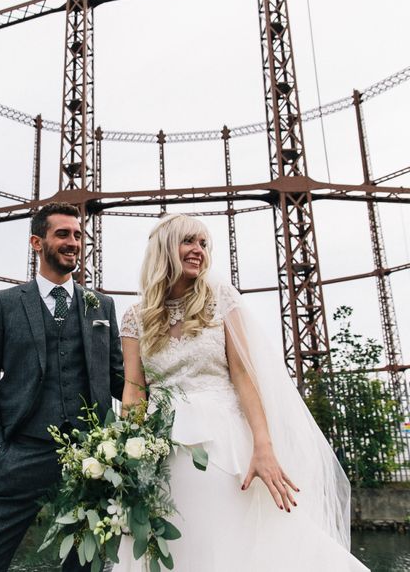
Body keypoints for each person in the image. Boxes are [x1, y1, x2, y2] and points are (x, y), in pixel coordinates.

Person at [114, 214, 368, 571]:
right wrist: (126, 456)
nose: (198, 251)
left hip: (222, 443)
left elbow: (244, 377)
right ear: (165, 249)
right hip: (160, 448)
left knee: (225, 536)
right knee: (167, 540)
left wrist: (263, 447)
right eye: (189, 241)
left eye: (203, 244)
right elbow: (134, 389)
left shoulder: (221, 299)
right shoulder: (135, 317)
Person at [0, 202, 125, 572]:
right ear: (36, 242)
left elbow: (119, 378)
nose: (73, 242)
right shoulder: (6, 304)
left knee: (85, 567)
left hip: (88, 459)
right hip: (20, 454)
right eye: (62, 234)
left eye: (78, 235)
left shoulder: (101, 307)